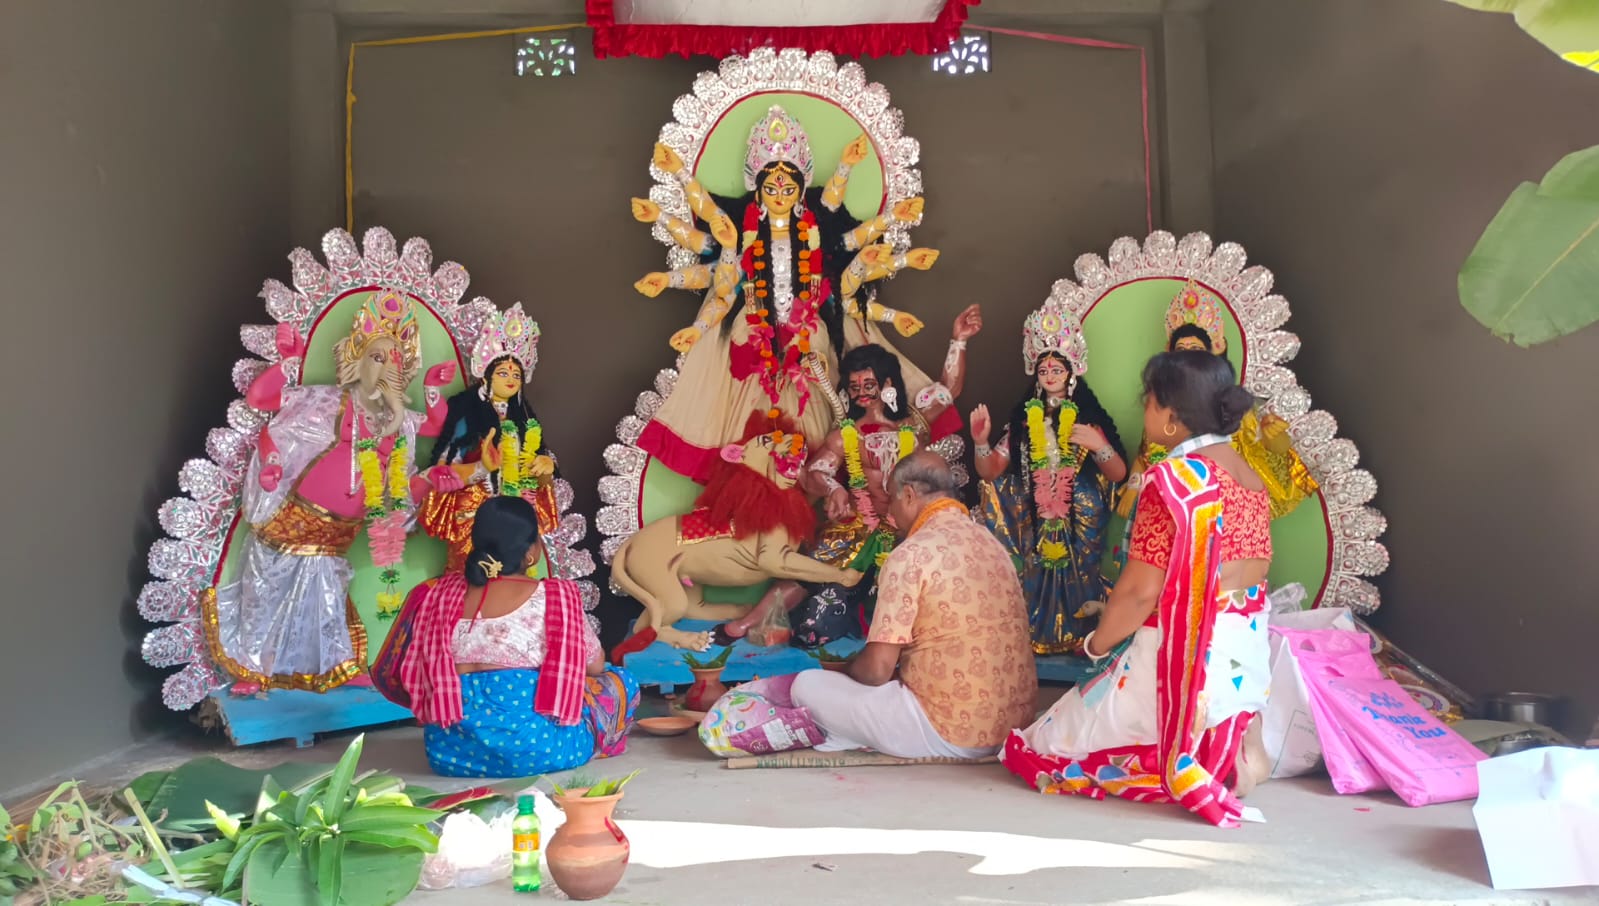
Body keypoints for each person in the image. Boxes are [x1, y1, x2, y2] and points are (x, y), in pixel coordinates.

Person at [1001, 351, 1272, 827]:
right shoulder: (1250, 478)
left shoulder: (1173, 480)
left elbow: (1139, 593)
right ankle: (1227, 749)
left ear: (1170, 416)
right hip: (1239, 652)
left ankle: (1190, 758)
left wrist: (1095, 645)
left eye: (1147, 402)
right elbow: (1256, 566)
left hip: (1177, 658)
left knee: (1041, 744)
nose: (1143, 412)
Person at [629, 106, 940, 482]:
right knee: (747, 418)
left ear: (800, 190)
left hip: (808, 334)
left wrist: (855, 177)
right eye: (771, 188)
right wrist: (676, 179)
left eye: (789, 189)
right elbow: (717, 272)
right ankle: (756, 480)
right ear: (757, 189)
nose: (780, 195)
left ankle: (812, 482)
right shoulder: (742, 232)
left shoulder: (817, 231)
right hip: (752, 331)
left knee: (813, 407)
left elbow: (851, 249)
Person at [713, 305, 981, 648]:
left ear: (888, 384)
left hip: (911, 528)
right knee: (810, 597)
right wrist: (835, 487)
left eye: (869, 384)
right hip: (857, 526)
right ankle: (748, 622)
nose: (861, 393)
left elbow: (950, 387)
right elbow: (816, 471)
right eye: (854, 386)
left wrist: (958, 340)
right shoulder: (844, 434)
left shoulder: (914, 424)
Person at [788, 452, 1038, 759]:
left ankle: (846, 732)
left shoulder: (911, 554)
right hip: (1014, 730)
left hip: (946, 733)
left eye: (891, 499)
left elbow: (877, 670)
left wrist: (846, 671)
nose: (891, 512)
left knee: (807, 685)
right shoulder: (992, 545)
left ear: (908, 495)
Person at [375, 496, 638, 778]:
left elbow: (407, 671)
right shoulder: (554, 597)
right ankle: (590, 742)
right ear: (531, 552)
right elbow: (594, 666)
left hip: (450, 754)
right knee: (618, 681)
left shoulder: (437, 594)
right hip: (537, 752)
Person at [970, 300, 1126, 655]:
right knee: (1035, 564)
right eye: (1044, 369)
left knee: (1078, 570)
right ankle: (1036, 632)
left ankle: (1080, 633)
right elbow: (990, 469)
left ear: (1072, 372)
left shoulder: (1087, 418)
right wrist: (980, 442)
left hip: (1081, 511)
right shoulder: (1026, 421)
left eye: (1058, 368)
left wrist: (1099, 445)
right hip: (1034, 514)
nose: (1051, 374)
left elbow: (1117, 473)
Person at [420, 304, 562, 572]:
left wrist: (546, 467)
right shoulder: (466, 412)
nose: (511, 379)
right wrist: (483, 468)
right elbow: (443, 472)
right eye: (503, 373)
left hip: (516, 513)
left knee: (515, 580)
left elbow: (539, 478)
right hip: (475, 514)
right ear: (486, 376)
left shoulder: (525, 419)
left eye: (516, 375)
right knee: (473, 579)